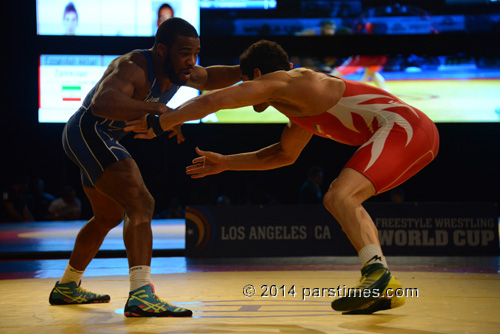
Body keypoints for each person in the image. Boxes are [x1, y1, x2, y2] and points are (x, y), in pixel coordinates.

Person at [125, 40, 440, 314]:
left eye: (248, 84)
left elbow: (214, 100)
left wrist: (161, 123)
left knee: (339, 196)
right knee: (342, 197)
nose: (251, 96)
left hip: (405, 128)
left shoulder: (286, 81)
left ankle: (377, 275)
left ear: (257, 77)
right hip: (414, 133)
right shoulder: (299, 107)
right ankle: (382, 284)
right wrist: (225, 162)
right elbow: (282, 155)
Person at [48, 17, 242, 318]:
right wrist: (159, 109)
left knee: (107, 217)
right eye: (184, 53)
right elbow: (102, 102)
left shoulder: (182, 70)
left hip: (98, 138)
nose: (191, 61)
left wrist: (248, 70)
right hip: (88, 132)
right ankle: (141, 295)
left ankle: (67, 286)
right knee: (141, 202)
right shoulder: (133, 66)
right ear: (162, 50)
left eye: (196, 53)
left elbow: (210, 78)